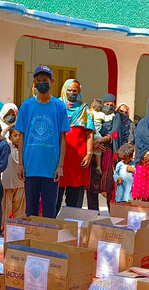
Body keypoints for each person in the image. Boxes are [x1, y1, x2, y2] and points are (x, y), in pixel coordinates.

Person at [15, 65, 70, 218]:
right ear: (34, 83)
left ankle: (48, 241)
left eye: (44, 80)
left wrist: (60, 166)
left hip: (51, 168)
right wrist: (20, 164)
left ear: (52, 81)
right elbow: (22, 136)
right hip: (30, 166)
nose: (41, 83)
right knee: (31, 211)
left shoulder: (59, 106)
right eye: (38, 80)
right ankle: (32, 239)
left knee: (49, 212)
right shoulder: (26, 106)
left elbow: (63, 137)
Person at [55, 79, 94, 212]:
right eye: (69, 90)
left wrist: (89, 153)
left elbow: (89, 133)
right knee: (55, 195)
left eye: (75, 91)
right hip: (59, 157)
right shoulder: (57, 106)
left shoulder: (84, 109)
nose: (72, 93)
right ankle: (52, 224)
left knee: (75, 196)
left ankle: (71, 224)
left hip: (78, 158)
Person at [90, 94, 117, 209]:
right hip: (94, 153)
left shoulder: (116, 118)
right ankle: (93, 214)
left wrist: (100, 140)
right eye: (106, 104)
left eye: (112, 105)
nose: (109, 107)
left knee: (108, 184)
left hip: (108, 154)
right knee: (92, 185)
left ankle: (112, 214)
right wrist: (94, 144)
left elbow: (114, 134)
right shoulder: (94, 116)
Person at [0, 103, 25, 220]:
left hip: (20, 182)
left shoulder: (23, 142)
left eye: (12, 114)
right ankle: (2, 231)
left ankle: (18, 232)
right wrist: (7, 129)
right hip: (6, 182)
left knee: (19, 210)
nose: (18, 138)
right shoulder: (3, 140)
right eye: (15, 135)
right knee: (4, 209)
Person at [104, 102, 135, 199]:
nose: (123, 114)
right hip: (110, 153)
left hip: (125, 157)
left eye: (126, 112)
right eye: (121, 111)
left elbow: (131, 142)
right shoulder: (110, 121)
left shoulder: (131, 125)